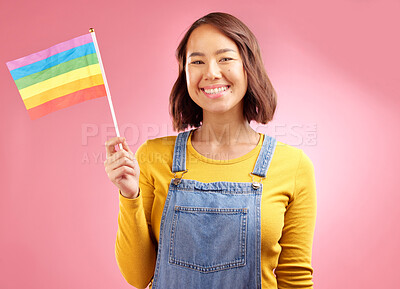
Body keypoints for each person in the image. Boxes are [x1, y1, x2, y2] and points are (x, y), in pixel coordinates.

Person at [104, 12, 317, 289]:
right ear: (185, 73)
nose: (211, 72)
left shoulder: (293, 165)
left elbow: (294, 279)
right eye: (197, 61)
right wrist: (129, 195)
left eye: (225, 58)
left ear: (248, 67)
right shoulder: (152, 156)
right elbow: (138, 275)